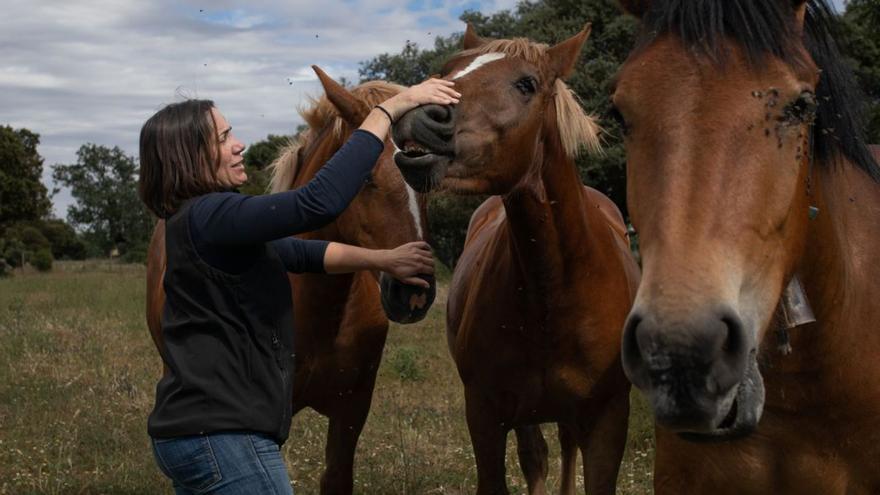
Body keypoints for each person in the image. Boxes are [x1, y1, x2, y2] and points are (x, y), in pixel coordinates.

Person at [138, 78, 459, 494]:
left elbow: (298, 253)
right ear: (189, 157)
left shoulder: (197, 222)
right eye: (224, 138)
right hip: (226, 440)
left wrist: (381, 260)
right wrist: (390, 109)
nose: (239, 145)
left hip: (189, 435)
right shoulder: (216, 215)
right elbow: (317, 203)